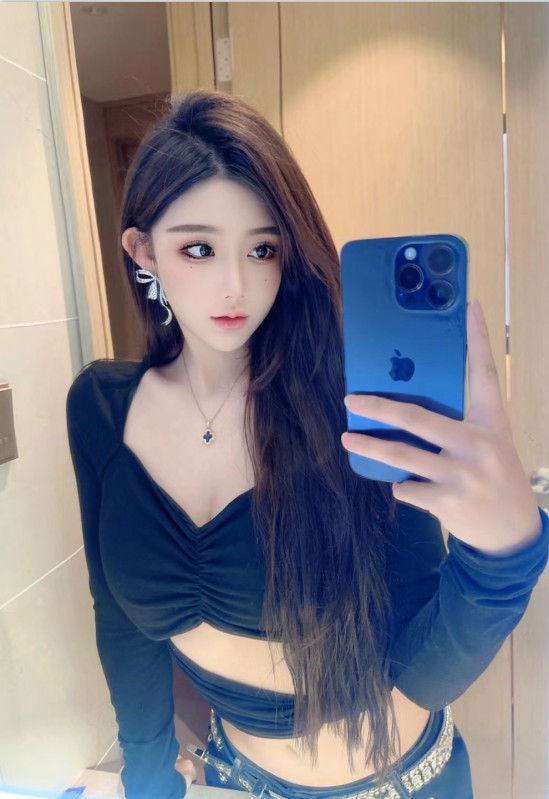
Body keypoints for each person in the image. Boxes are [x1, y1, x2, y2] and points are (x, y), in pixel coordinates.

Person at [66, 89, 549, 799]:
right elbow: (121, 619)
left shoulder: (350, 407)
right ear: (143, 251)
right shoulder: (102, 408)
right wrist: (148, 777)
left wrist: (503, 558)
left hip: (397, 784)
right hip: (235, 779)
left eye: (262, 248)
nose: (235, 284)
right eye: (198, 248)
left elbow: (424, 672)